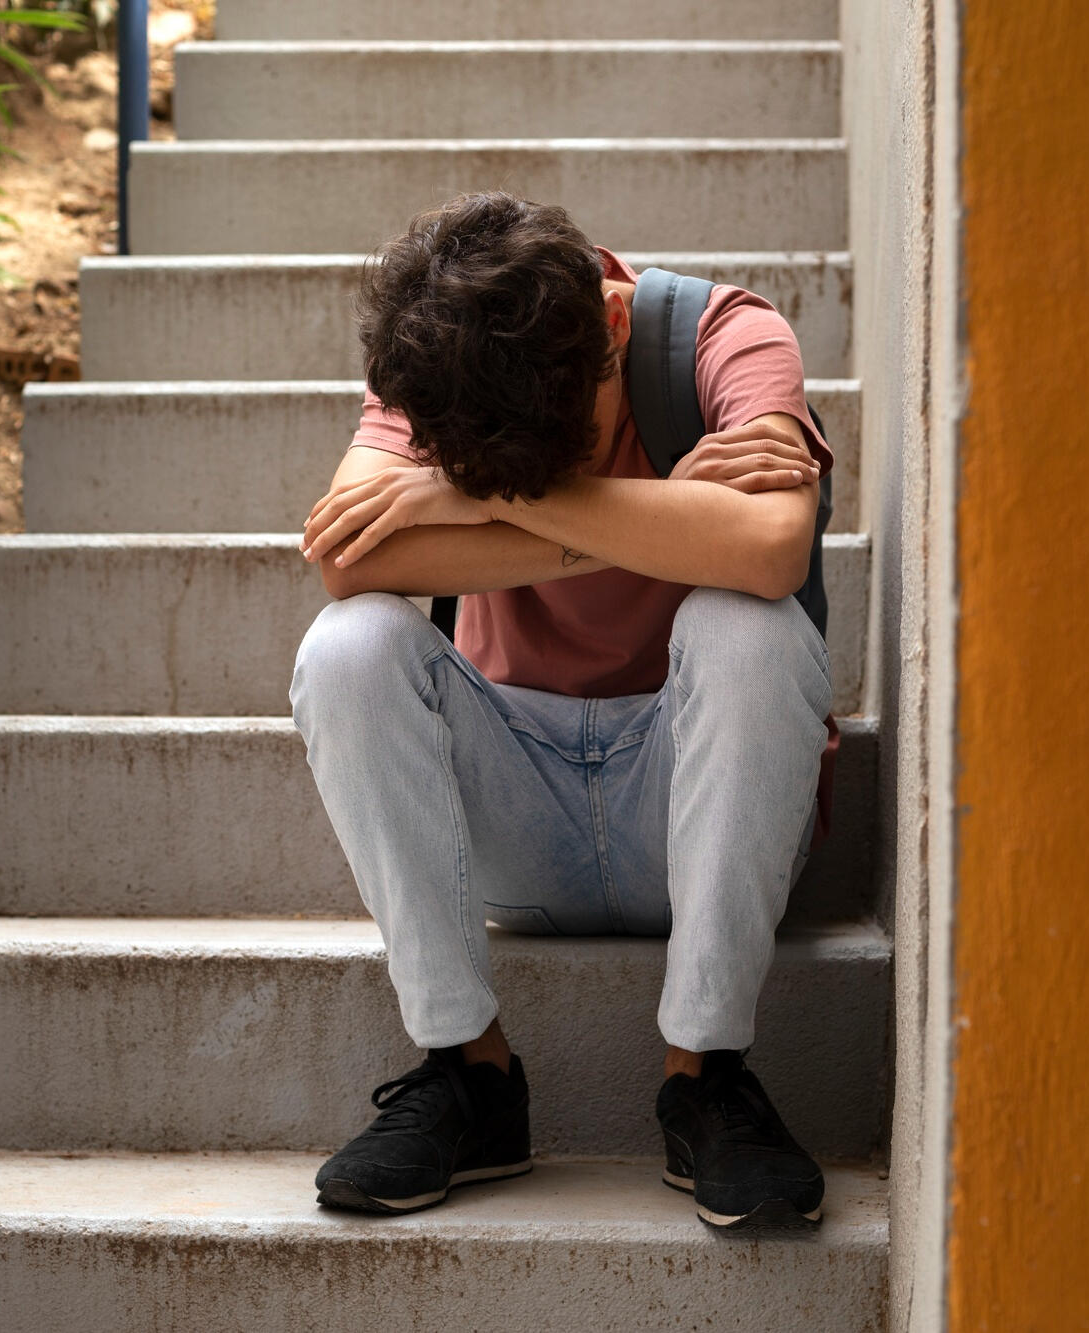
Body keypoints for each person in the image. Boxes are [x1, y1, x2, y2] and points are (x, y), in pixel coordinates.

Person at [289, 191, 837, 1230]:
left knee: (747, 623)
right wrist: (666, 516)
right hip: (518, 812)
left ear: (613, 327)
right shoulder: (440, 352)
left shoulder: (727, 334)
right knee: (349, 646)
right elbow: (351, 561)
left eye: (559, 453)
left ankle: (706, 1076)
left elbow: (768, 547)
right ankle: (469, 1074)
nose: (535, 481)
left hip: (698, 801)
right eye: (500, 474)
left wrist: (481, 496)